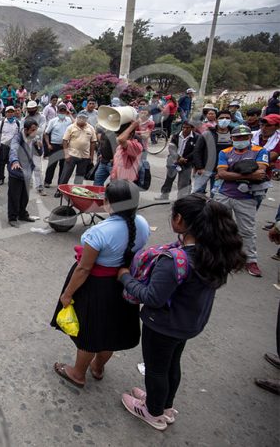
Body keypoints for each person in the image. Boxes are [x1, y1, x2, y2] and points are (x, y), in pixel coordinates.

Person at [117, 194, 246, 430]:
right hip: (188, 323)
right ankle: (165, 405)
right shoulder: (215, 252)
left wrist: (125, 278)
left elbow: (152, 297)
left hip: (163, 325)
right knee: (172, 364)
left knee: (156, 369)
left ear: (180, 220)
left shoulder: (175, 259)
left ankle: (152, 412)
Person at [51, 180, 150, 388]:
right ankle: (97, 367)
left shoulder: (100, 232)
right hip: (123, 284)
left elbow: (84, 268)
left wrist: (67, 294)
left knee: (91, 331)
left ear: (107, 203)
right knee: (111, 331)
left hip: (97, 286)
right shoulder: (141, 224)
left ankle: (78, 373)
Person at [213, 125, 269, 277]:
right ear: (232, 138)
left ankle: (251, 260)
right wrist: (246, 174)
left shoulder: (259, 151)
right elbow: (222, 173)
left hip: (247, 198)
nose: (240, 140)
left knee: (247, 231)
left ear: (250, 137)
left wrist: (231, 173)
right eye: (237, 137)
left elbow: (260, 173)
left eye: (244, 137)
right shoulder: (225, 152)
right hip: (224, 194)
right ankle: (219, 258)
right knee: (219, 228)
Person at [155, 119, 199, 201]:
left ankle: (181, 200)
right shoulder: (176, 135)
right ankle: (164, 195)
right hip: (174, 160)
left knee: (184, 183)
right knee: (169, 179)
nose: (185, 129)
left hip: (187, 163)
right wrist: (178, 158)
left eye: (187, 128)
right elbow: (171, 148)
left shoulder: (197, 138)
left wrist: (185, 159)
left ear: (192, 128)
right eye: (183, 127)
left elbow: (196, 151)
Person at [192, 110, 234, 195]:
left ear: (231, 120)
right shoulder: (207, 133)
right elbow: (197, 151)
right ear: (216, 119)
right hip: (205, 169)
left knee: (215, 196)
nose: (224, 120)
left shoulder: (234, 134)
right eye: (221, 118)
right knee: (197, 194)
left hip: (222, 171)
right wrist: (199, 167)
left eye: (227, 118)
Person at [7, 119, 39, 227]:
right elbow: (13, 149)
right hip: (16, 170)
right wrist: (15, 161)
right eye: (33, 130)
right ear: (26, 130)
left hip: (27, 171)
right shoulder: (17, 138)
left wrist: (40, 146)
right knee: (14, 195)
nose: (35, 132)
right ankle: (12, 217)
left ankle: (22, 214)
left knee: (25, 195)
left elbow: (39, 153)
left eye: (36, 130)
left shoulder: (34, 139)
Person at [57, 111, 96, 193]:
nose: (81, 120)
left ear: (86, 119)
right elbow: (64, 141)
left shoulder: (91, 128)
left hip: (84, 156)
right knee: (66, 174)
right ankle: (59, 190)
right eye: (80, 118)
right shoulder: (71, 127)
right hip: (72, 155)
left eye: (84, 118)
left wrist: (91, 156)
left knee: (80, 176)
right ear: (77, 118)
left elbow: (93, 142)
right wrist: (66, 154)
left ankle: (76, 192)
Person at [42, 104, 73, 188]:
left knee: (63, 166)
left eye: (64, 111)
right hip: (54, 145)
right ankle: (47, 181)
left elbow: (75, 125)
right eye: (60, 111)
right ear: (57, 111)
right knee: (52, 165)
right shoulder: (53, 121)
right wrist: (48, 144)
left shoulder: (69, 120)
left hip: (65, 146)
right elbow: (46, 133)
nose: (62, 112)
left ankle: (61, 183)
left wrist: (69, 114)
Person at [0, 106, 19, 185]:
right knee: (2, 163)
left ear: (14, 113)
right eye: (8, 112)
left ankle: (12, 178)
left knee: (12, 162)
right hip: (4, 146)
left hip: (14, 147)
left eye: (12, 112)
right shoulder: (2, 122)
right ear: (5, 113)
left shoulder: (17, 123)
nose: (10, 113)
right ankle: (1, 178)